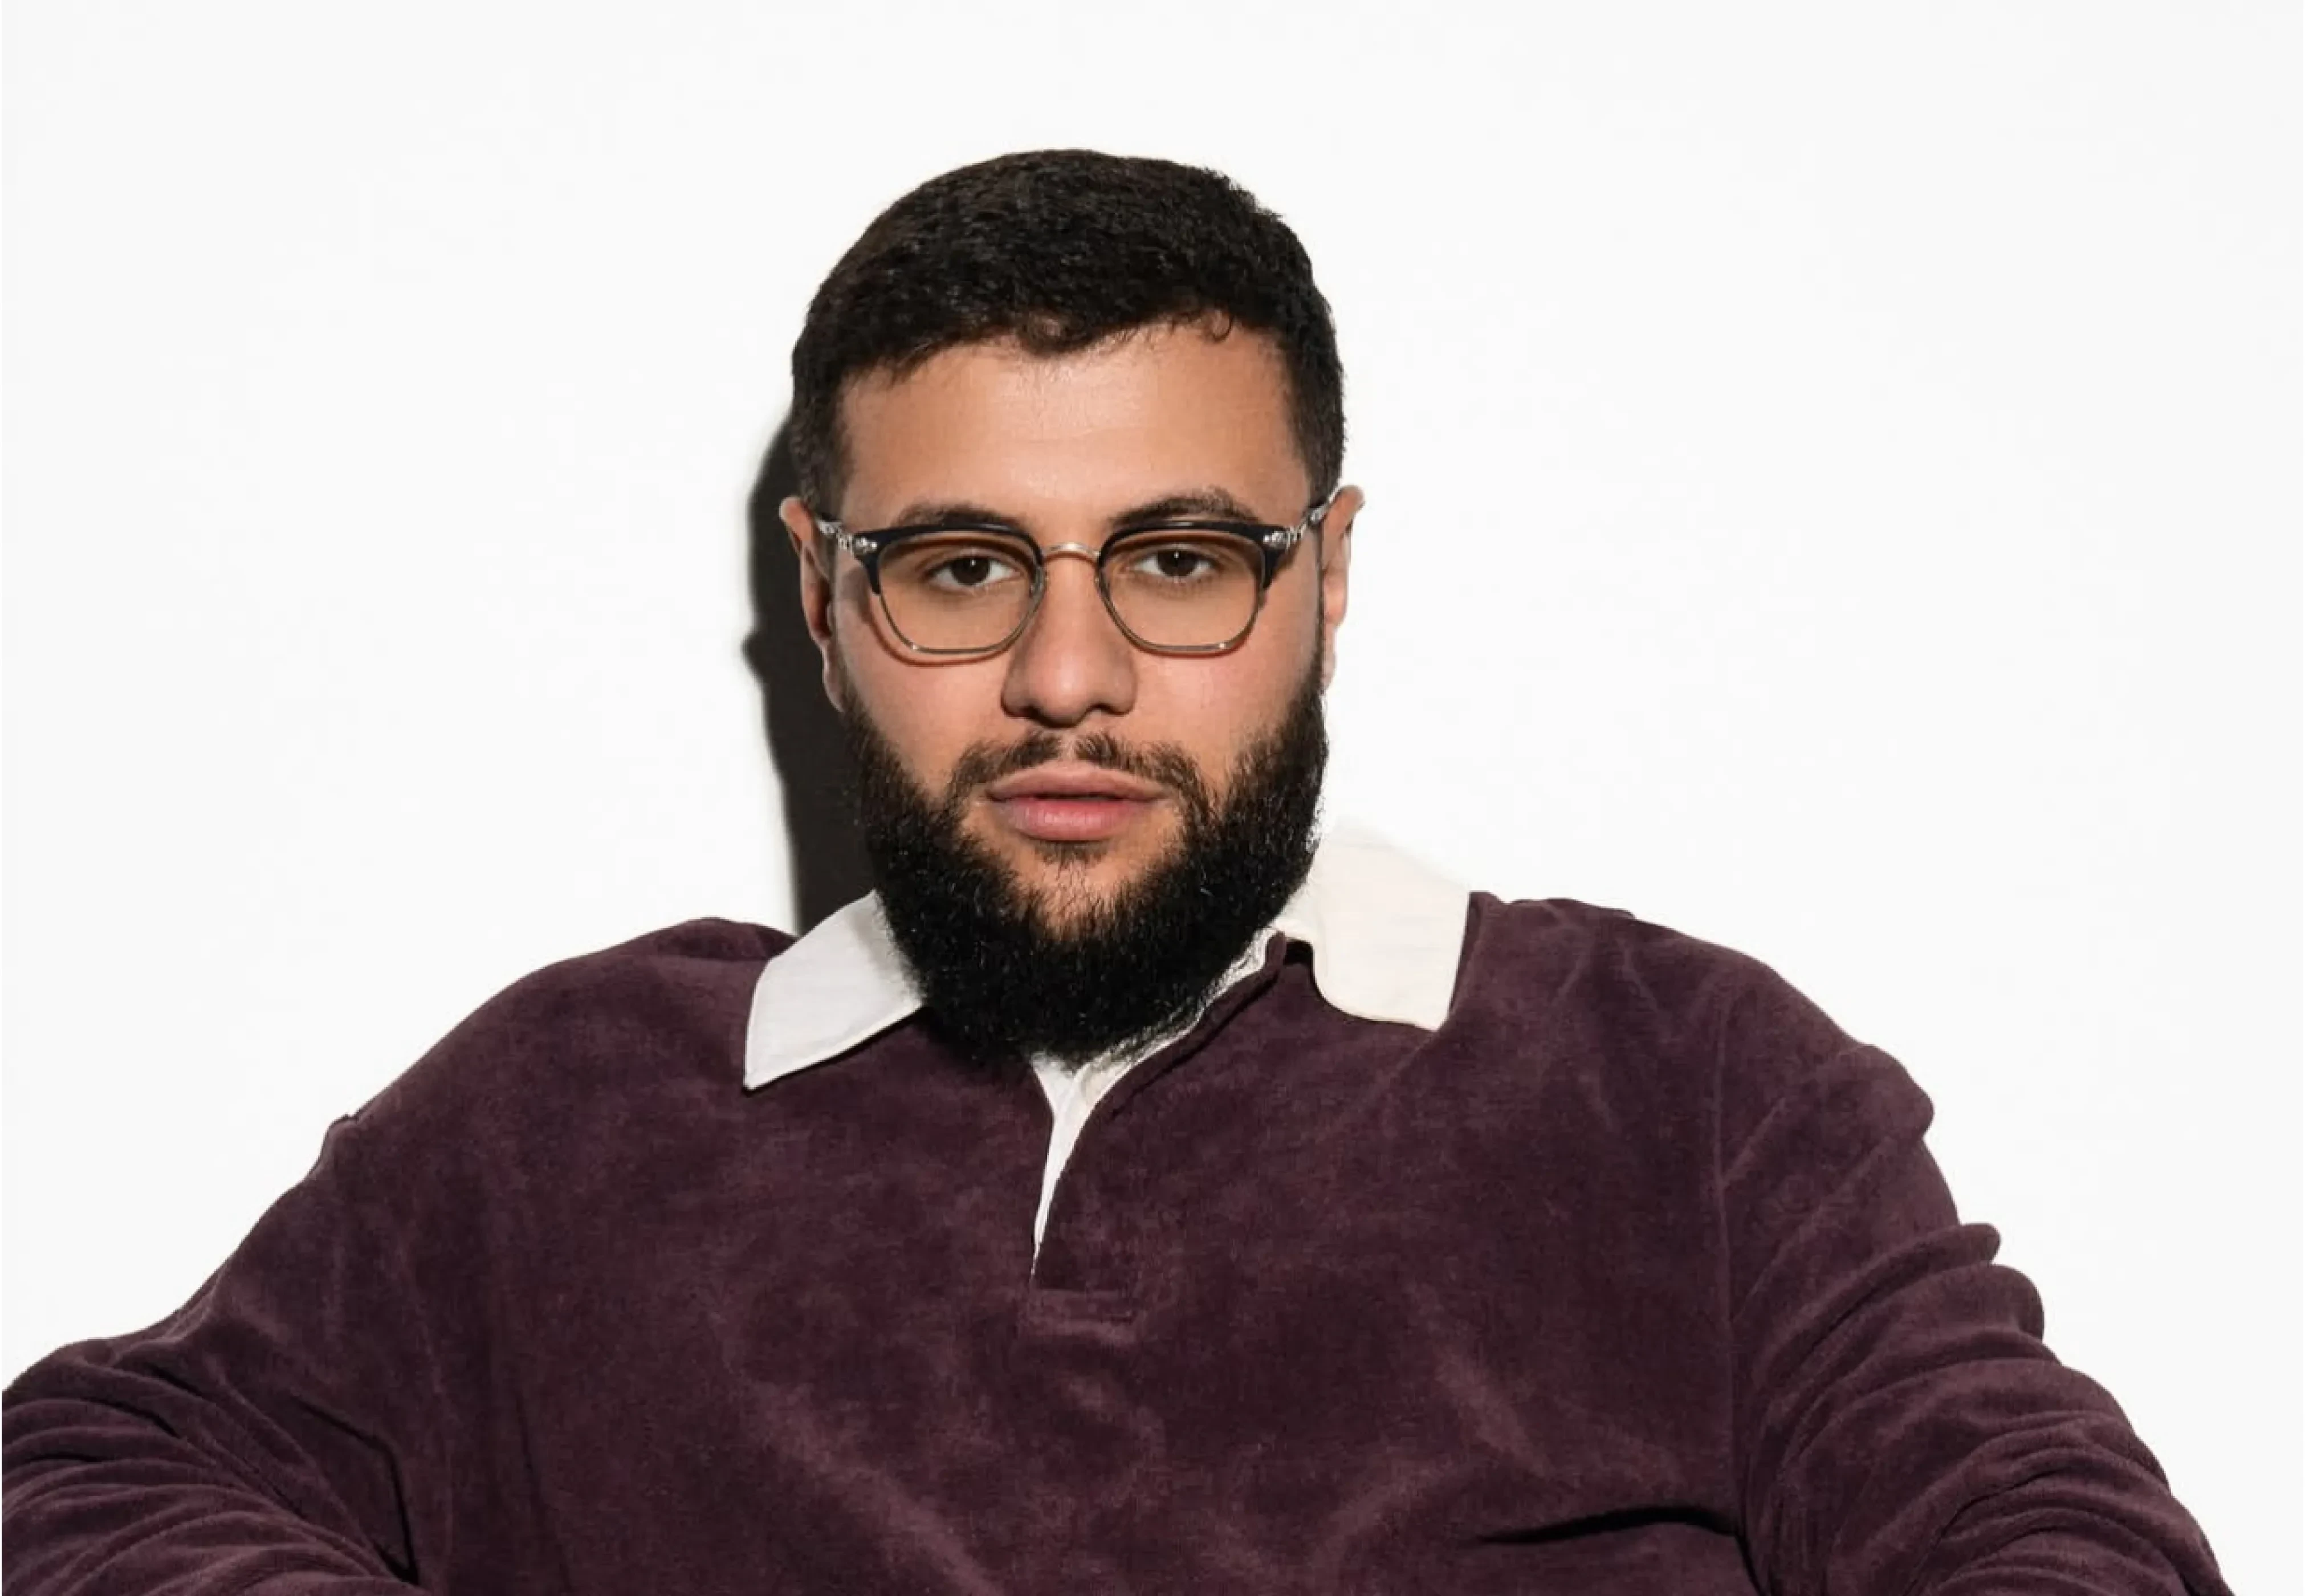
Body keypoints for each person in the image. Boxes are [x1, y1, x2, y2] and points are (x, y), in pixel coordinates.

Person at [2, 149, 2230, 1595]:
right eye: (962, 567)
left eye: (1176, 560)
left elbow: (2043, 1534)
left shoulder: (1680, 1081)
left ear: (1325, 576)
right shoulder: (567, 1106)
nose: (1067, 679)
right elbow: (84, 1469)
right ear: (822, 592)